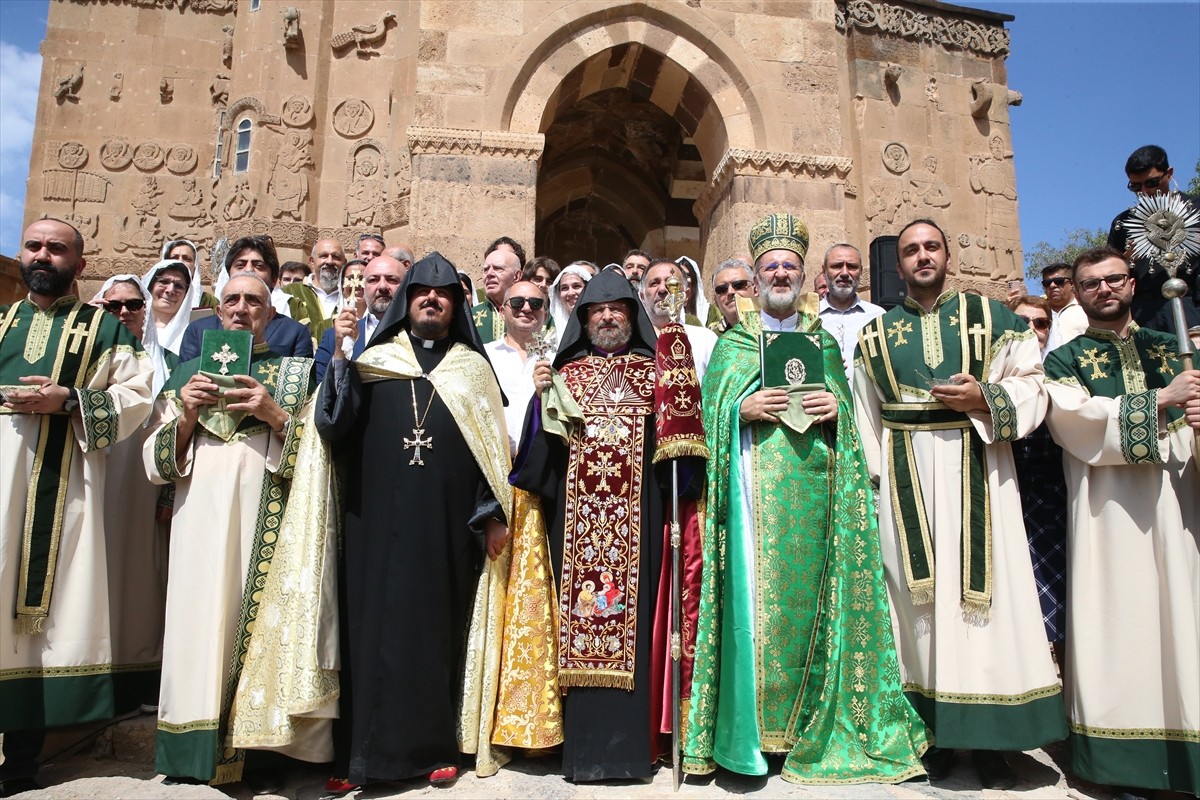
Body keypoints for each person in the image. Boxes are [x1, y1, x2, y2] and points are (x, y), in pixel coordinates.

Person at [685, 212, 929, 784]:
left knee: (815, 605)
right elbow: (708, 413)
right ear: (757, 274)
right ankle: (750, 735)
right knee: (754, 612)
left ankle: (806, 729)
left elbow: (850, 413)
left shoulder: (821, 341)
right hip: (751, 500)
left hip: (817, 495)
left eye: (789, 266)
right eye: (769, 266)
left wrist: (836, 411)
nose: (779, 274)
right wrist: (737, 410)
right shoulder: (734, 344)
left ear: (803, 274)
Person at [854, 219, 1066, 789]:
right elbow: (864, 419)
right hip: (908, 488)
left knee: (987, 605)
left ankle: (994, 741)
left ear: (948, 255)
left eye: (932, 246)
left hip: (982, 474)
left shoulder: (994, 318)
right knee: (918, 612)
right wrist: (875, 487)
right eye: (910, 251)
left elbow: (1034, 385)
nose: (922, 256)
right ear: (897, 266)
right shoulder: (874, 338)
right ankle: (936, 738)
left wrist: (985, 396)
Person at [317, 253, 511, 791]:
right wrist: (339, 358)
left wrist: (493, 514)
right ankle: (357, 761)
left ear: (457, 305)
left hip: (446, 531)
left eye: (444, 292)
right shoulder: (373, 360)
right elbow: (334, 429)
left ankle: (432, 752)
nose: (432, 298)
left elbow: (490, 454)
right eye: (422, 290)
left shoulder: (474, 372)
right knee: (367, 632)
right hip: (372, 525)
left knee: (435, 636)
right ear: (407, 301)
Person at [514, 269, 689, 781]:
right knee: (581, 620)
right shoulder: (564, 376)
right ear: (582, 319)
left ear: (632, 316)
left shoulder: (655, 369)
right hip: (575, 532)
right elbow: (536, 461)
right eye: (597, 309)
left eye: (618, 308)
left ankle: (636, 750)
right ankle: (584, 752)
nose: (608, 316)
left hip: (641, 526)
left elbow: (680, 447)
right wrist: (538, 400)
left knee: (636, 631)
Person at [0, 218, 154, 797]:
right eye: (34, 246)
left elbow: (136, 396)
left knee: (44, 615)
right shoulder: (2, 322)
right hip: (0, 480)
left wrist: (68, 400)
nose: (43, 255)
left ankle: (21, 756)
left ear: (79, 264)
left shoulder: (104, 330)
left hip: (63, 486)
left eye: (56, 248)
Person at [144, 273, 316, 787]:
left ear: (271, 312)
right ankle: (191, 753)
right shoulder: (187, 374)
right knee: (197, 626)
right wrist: (188, 415)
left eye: (254, 301)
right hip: (196, 517)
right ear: (217, 313)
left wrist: (277, 415)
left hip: (267, 518)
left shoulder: (296, 374)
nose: (241, 309)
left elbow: (321, 459)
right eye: (232, 300)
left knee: (260, 624)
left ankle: (259, 755)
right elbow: (154, 462)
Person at [1043, 247, 1199, 798]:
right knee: (1118, 627)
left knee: (1185, 623)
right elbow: (1074, 424)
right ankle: (1121, 765)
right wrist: (1161, 401)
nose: (1103, 290)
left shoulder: (1176, 347)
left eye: (1113, 280)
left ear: (1133, 283)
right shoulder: (1064, 360)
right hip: (1106, 512)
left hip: (1178, 503)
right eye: (1090, 284)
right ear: (1078, 295)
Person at [1004, 293, 1068, 660]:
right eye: (1022, 322)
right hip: (1008, 495)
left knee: (1061, 599)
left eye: (1040, 323)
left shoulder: (1063, 371)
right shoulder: (993, 376)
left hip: (1057, 500)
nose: (1031, 329)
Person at [1107, 144, 1200, 331]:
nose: (1144, 191)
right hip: (1142, 312)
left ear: (1169, 173)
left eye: (1152, 182)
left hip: (1192, 303)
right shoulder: (1123, 223)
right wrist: (1126, 259)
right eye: (1135, 186)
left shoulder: (1197, 208)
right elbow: (1107, 271)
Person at [180, 236, 313, 361]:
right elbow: (185, 376)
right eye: (240, 265)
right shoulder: (198, 330)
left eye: (258, 265)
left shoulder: (294, 333)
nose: (248, 270)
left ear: (273, 280)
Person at [314, 255, 405, 383]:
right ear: (364, 287)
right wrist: (340, 352)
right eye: (373, 279)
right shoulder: (332, 337)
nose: (383, 286)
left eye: (392, 279)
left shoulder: (419, 333)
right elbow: (321, 393)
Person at [484, 280, 548, 455]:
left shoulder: (556, 359)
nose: (526, 308)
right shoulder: (484, 356)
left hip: (542, 466)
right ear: (502, 312)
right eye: (517, 302)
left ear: (546, 315)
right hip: (495, 462)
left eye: (535, 303)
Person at [640, 258, 717, 380]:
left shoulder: (707, 340)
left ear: (685, 296)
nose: (663, 289)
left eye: (671, 283)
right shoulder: (634, 341)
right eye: (654, 283)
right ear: (642, 296)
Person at [817, 243, 884, 382]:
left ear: (861, 270)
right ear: (824, 271)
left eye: (852, 267)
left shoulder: (878, 317)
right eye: (837, 266)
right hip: (820, 402)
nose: (845, 273)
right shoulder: (809, 317)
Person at [472, 239, 524, 343]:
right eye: (486, 269)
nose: (489, 274)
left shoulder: (534, 314)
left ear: (517, 276)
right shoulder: (469, 317)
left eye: (498, 268)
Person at [143, 259, 193, 365]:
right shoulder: (131, 326)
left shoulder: (192, 336)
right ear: (150, 286)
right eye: (164, 282)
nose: (170, 290)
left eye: (179, 286)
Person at [1040, 262, 1087, 352]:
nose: (1052, 285)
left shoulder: (1086, 310)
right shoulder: (1039, 313)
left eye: (1059, 281)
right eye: (1047, 283)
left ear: (1072, 283)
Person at [162, 238, 217, 309]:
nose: (180, 262)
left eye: (186, 258)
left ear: (195, 266)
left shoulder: (209, 301)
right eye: (174, 258)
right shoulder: (157, 297)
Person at [707, 258, 758, 334]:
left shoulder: (771, 328)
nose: (730, 292)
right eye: (722, 289)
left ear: (755, 289)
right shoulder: (710, 338)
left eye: (739, 285)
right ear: (716, 301)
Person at [548, 262, 592, 340]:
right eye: (564, 288)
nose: (570, 293)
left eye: (576, 286)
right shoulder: (550, 330)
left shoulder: (598, 322)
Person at [309, 238, 348, 318]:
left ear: (344, 263)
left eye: (336, 257)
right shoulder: (293, 292)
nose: (329, 261)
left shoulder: (350, 295)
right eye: (323, 256)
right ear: (312, 261)